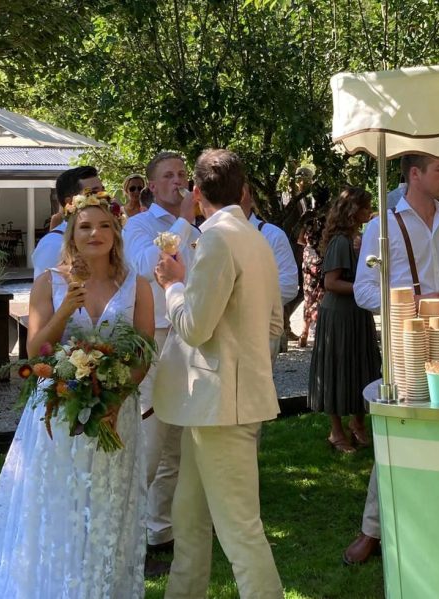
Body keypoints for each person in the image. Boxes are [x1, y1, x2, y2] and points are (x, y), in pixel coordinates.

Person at [0, 192, 155, 598]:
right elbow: (35, 353)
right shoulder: (49, 281)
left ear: (116, 232)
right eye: (85, 226)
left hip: (114, 411)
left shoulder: (137, 285)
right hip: (58, 411)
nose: (95, 233)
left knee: (107, 505)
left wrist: (116, 399)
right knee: (58, 502)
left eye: (104, 225)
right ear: (71, 232)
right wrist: (67, 307)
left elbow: (143, 353)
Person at [153, 149, 284, 598]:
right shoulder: (256, 237)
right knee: (188, 521)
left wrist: (172, 285)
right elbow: (273, 324)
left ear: (196, 193)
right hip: (214, 405)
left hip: (221, 407)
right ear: (243, 191)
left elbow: (192, 326)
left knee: (241, 532)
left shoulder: (216, 238)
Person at [345, 154, 439, 566]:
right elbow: (364, 292)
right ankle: (372, 529)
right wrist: (417, 301)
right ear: (414, 174)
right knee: (397, 432)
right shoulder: (383, 225)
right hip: (406, 345)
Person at [123, 151, 199, 563]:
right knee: (151, 441)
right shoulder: (138, 225)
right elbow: (148, 265)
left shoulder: (200, 226)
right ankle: (127, 532)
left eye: (182, 174)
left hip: (188, 337)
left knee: (178, 444)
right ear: (151, 187)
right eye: (168, 176)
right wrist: (184, 221)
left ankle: (160, 531)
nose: (178, 181)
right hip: (153, 341)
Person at [308, 187, 380, 453]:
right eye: (365, 207)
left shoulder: (357, 238)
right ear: (353, 210)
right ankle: (336, 432)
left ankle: (358, 424)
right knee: (338, 370)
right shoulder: (340, 241)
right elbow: (331, 282)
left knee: (364, 366)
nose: (368, 212)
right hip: (339, 315)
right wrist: (364, 288)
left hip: (357, 312)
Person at [241, 185, 300, 361]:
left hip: (260, 331)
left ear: (251, 199)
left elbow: (289, 285)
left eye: (241, 191)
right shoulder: (206, 233)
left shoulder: (271, 235)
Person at [31, 166, 104, 279]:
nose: (103, 197)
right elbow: (45, 291)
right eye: (94, 193)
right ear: (70, 202)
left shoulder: (107, 235)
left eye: (103, 190)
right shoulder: (53, 244)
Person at [298, 212, 326, 348]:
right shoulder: (327, 221)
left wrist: (308, 245)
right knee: (321, 295)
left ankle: (305, 331)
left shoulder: (308, 221)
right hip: (321, 259)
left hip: (308, 260)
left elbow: (299, 240)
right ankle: (320, 331)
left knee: (308, 296)